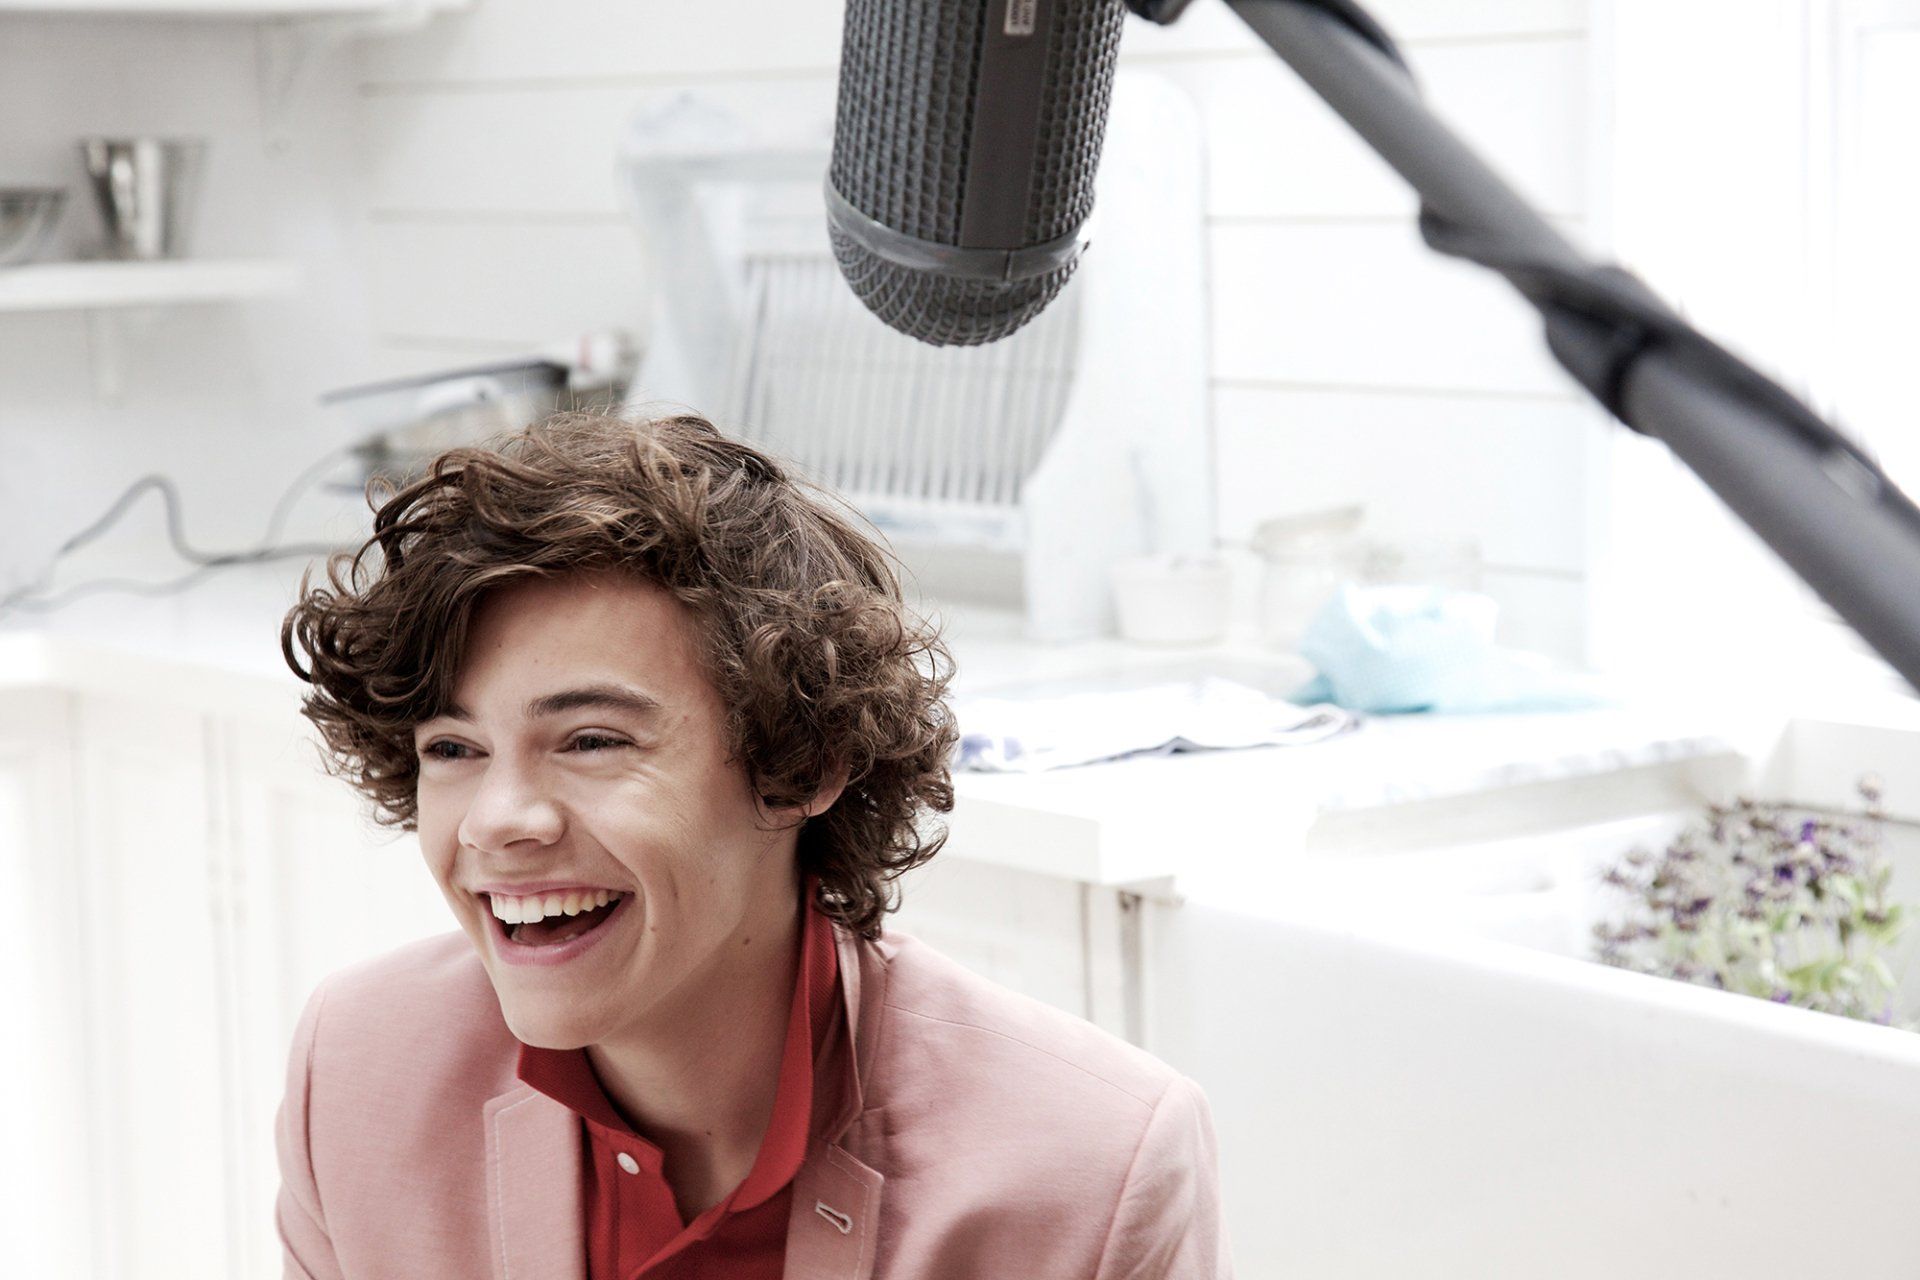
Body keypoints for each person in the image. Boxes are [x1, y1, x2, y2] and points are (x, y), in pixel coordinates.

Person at [274, 411, 1232, 1278]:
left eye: (593, 741)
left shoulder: (1093, 1170)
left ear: (802, 763)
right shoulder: (358, 1072)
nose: (496, 820)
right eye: (453, 749)